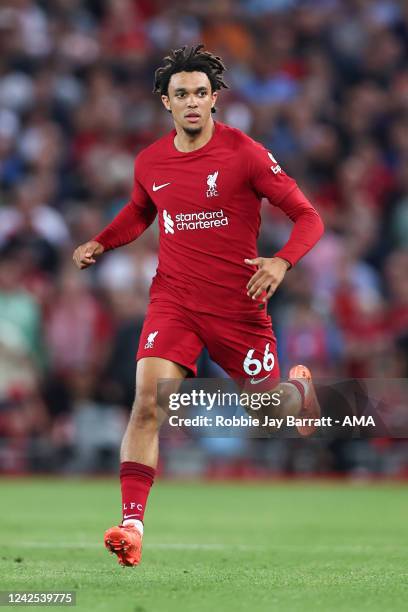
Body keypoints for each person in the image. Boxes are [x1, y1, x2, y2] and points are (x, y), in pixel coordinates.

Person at [72, 45, 324, 567]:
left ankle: (298, 394)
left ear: (215, 100)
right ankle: (133, 525)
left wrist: (281, 262)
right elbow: (140, 211)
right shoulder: (150, 161)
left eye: (201, 94)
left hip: (238, 306)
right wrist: (102, 242)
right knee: (148, 401)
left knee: (271, 414)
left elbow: (308, 217)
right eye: (181, 93)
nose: (192, 102)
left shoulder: (245, 153)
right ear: (166, 102)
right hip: (175, 301)